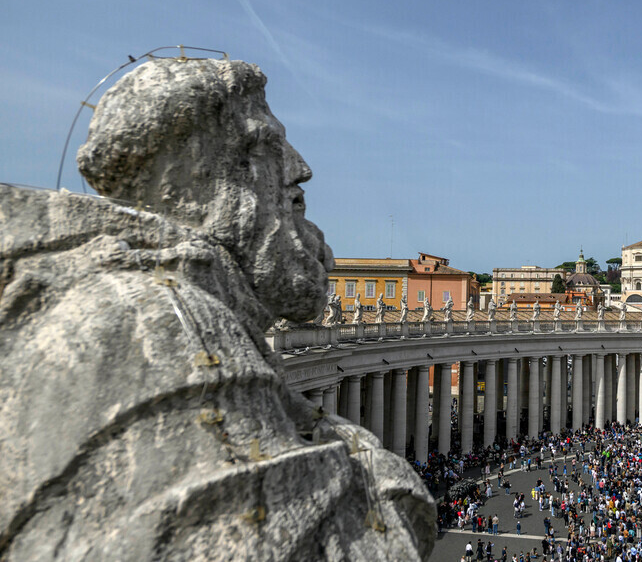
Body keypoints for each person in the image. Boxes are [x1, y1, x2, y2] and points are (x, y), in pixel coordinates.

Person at [1, 58, 433, 560]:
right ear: (212, 173)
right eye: (270, 145)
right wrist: (372, 463)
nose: (300, 168)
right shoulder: (171, 320)